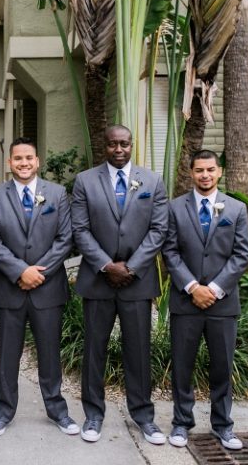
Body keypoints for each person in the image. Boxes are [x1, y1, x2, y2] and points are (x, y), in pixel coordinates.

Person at [71, 125, 168, 444]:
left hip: (136, 282)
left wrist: (132, 266)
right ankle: (93, 416)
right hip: (98, 281)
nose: (118, 149)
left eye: (124, 144)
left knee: (138, 351)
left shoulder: (152, 181)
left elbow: (158, 229)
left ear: (132, 144)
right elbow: (81, 229)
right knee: (94, 350)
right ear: (104, 145)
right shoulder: (86, 181)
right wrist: (105, 265)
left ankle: (143, 416)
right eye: (112, 144)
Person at [0, 137, 78, 437]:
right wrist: (20, 271)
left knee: (49, 353)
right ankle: (3, 412)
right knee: (7, 355)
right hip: (9, 288)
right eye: (18, 158)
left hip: (47, 288)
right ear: (9, 163)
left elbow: (65, 239)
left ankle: (57, 410)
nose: (24, 163)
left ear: (37, 161)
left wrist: (40, 272)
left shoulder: (57, 194)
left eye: (29, 158)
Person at [162, 149, 248, 450]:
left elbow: (242, 255)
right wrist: (191, 287)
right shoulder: (175, 208)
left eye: (210, 170)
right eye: (199, 170)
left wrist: (213, 288)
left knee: (222, 367)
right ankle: (180, 423)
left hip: (222, 304)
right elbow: (170, 252)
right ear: (191, 172)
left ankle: (223, 426)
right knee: (182, 365)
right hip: (186, 303)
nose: (205, 175)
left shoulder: (236, 210)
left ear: (219, 172)